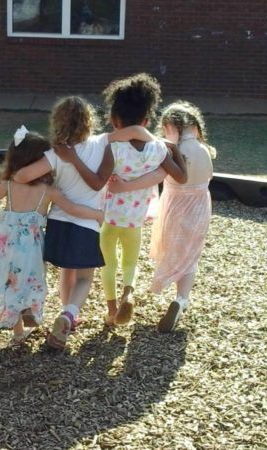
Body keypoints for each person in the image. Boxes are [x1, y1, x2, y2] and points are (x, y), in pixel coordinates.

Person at [12, 95, 157, 350]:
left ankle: (63, 313)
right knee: (84, 278)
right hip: (87, 225)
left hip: (58, 224)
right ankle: (68, 314)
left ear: (58, 122)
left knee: (66, 270)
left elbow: (22, 176)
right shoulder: (102, 142)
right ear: (89, 121)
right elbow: (139, 132)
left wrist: (48, 183)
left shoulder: (56, 153)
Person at [52, 73, 188, 329]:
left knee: (108, 263)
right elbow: (181, 177)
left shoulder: (112, 148)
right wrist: (174, 147)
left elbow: (97, 182)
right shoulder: (159, 149)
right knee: (129, 261)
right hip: (134, 219)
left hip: (108, 217)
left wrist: (73, 160)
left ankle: (112, 310)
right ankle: (130, 290)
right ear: (147, 120)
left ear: (114, 120)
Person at [0, 126, 104, 346]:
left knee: (9, 281)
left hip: (6, 244)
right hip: (32, 245)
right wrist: (97, 214)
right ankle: (29, 308)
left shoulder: (8, 185)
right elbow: (74, 209)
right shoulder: (48, 190)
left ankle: (18, 332)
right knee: (30, 280)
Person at [108, 101, 215, 332]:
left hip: (175, 205)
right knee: (190, 253)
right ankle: (180, 299)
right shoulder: (204, 150)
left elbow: (156, 176)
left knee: (175, 248)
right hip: (200, 205)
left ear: (169, 128)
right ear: (195, 128)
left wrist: (127, 186)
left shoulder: (170, 151)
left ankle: (178, 298)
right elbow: (208, 178)